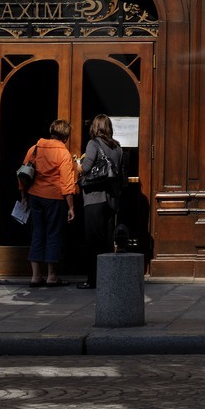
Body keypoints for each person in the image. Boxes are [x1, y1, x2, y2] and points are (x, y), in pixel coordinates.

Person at [17, 118, 79, 287]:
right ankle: (52, 276)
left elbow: (23, 173)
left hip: (35, 196)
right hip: (54, 198)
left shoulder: (35, 148)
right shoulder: (63, 153)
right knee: (53, 234)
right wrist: (71, 207)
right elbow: (67, 182)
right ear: (65, 137)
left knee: (37, 233)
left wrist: (24, 196)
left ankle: (35, 276)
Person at [76, 114, 125, 290]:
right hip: (111, 200)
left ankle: (93, 280)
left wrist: (77, 163)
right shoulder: (117, 147)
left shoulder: (93, 143)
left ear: (95, 127)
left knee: (93, 242)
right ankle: (107, 279)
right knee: (107, 242)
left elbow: (86, 168)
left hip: (94, 199)